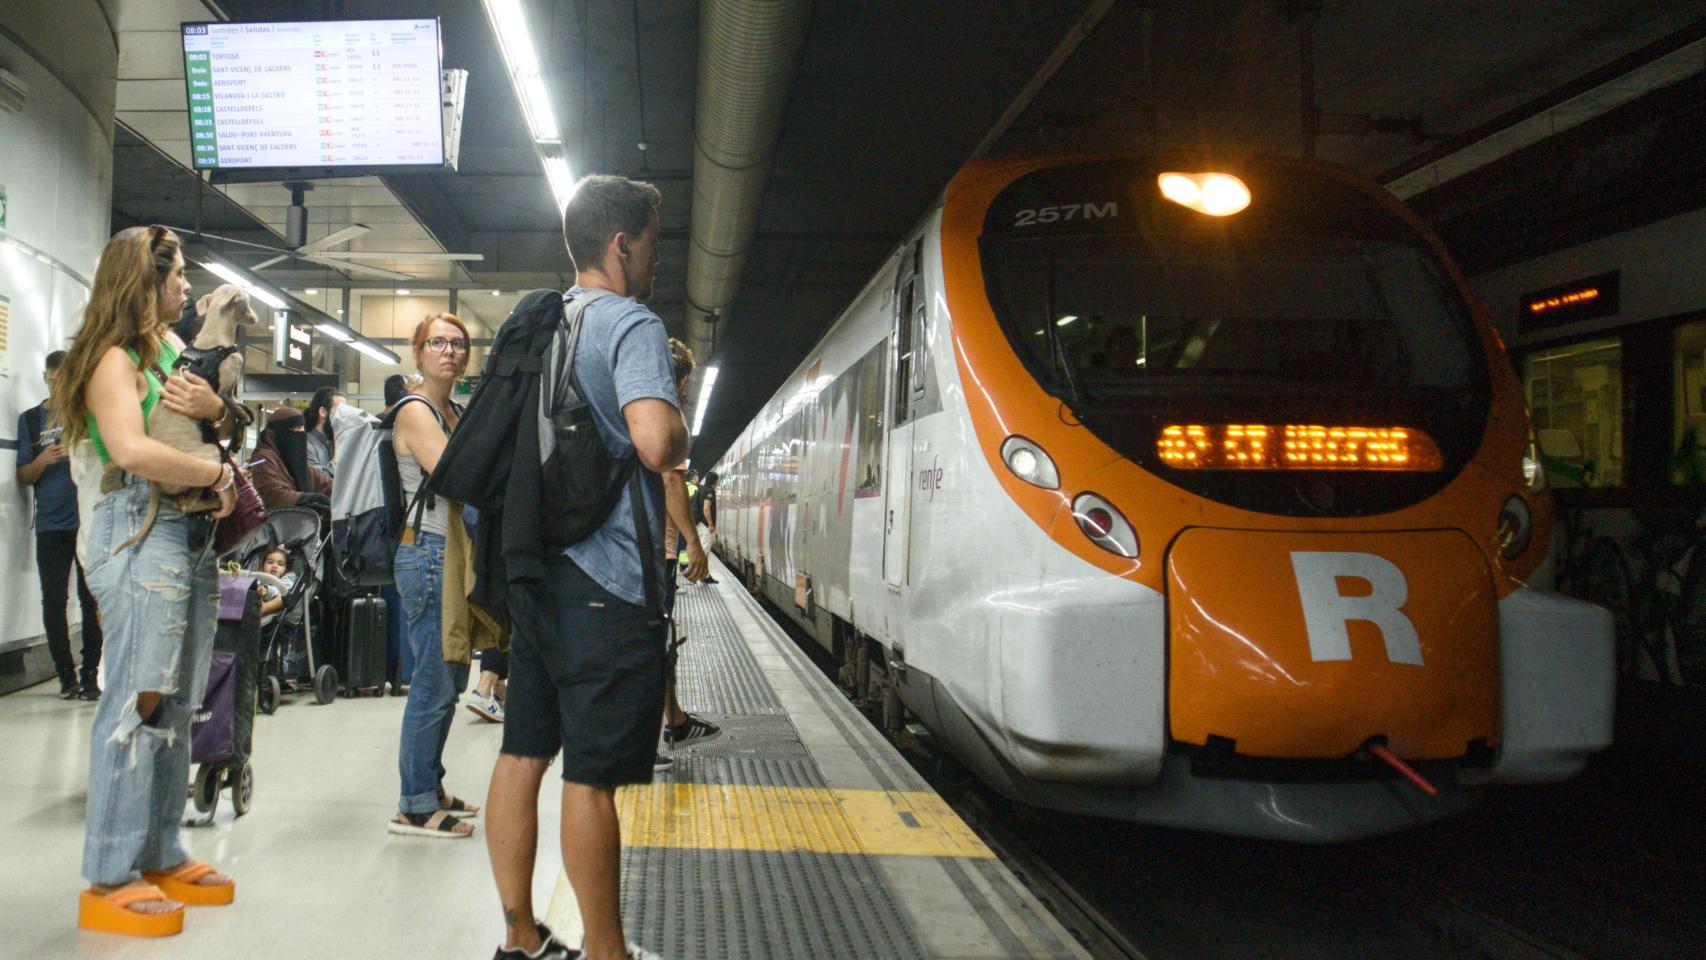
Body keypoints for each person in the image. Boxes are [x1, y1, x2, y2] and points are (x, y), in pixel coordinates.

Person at [485, 174, 683, 960]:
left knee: (521, 753)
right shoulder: (628, 322)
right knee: (590, 778)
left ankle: (518, 937)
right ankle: (608, 953)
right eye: (654, 245)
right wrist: (680, 431)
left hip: (534, 575)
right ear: (621, 243)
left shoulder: (535, 323)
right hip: (606, 585)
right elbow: (655, 443)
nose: (655, 261)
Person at [56, 225, 238, 937]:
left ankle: (161, 850)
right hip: (135, 529)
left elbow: (212, 422)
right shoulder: (109, 358)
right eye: (180, 274)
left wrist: (218, 417)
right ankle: (109, 871)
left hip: (186, 533)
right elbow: (131, 450)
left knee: (179, 701)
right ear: (146, 279)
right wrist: (216, 474)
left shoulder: (167, 351)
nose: (188, 286)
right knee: (138, 698)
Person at [389, 312, 478, 839]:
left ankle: (430, 781)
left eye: (458, 344)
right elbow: (459, 474)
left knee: (451, 676)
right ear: (419, 353)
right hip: (425, 553)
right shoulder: (417, 411)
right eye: (438, 343)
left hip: (452, 554)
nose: (450, 351)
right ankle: (415, 803)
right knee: (433, 680)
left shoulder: (457, 411)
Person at [17, 350, 105, 700]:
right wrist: (45, 458)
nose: (59, 384)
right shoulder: (31, 421)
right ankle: (65, 676)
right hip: (51, 525)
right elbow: (23, 475)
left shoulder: (87, 414)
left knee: (91, 601)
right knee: (53, 601)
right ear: (45, 377)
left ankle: (91, 675)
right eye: (53, 378)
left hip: (89, 521)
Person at [658, 340, 715, 767]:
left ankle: (674, 719)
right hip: (654, 550)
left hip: (639, 547)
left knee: (657, 640)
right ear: (682, 378)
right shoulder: (667, 413)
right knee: (653, 643)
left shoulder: (633, 407)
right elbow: (671, 482)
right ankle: (649, 737)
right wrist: (693, 544)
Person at [250, 406, 331, 512]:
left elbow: (319, 480)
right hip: (275, 523)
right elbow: (272, 494)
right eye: (295, 429)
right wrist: (304, 498)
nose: (300, 433)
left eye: (302, 428)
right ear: (279, 432)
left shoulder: (293, 458)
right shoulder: (263, 458)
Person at [303, 386, 343, 477]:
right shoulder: (306, 444)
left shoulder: (334, 440)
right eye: (340, 411)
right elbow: (320, 481)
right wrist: (338, 450)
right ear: (323, 412)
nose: (344, 417)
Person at [255, 546, 297, 627]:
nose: (274, 566)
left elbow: (281, 592)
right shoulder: (259, 578)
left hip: (269, 617)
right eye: (270, 562)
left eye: (280, 564)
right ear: (262, 566)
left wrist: (266, 591)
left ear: (286, 570)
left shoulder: (286, 580)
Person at [691, 472, 720, 585]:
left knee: (703, 550)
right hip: (704, 525)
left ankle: (704, 574)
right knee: (704, 550)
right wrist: (710, 524)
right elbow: (706, 508)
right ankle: (697, 574)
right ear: (715, 481)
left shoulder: (701, 490)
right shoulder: (708, 492)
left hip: (699, 524)